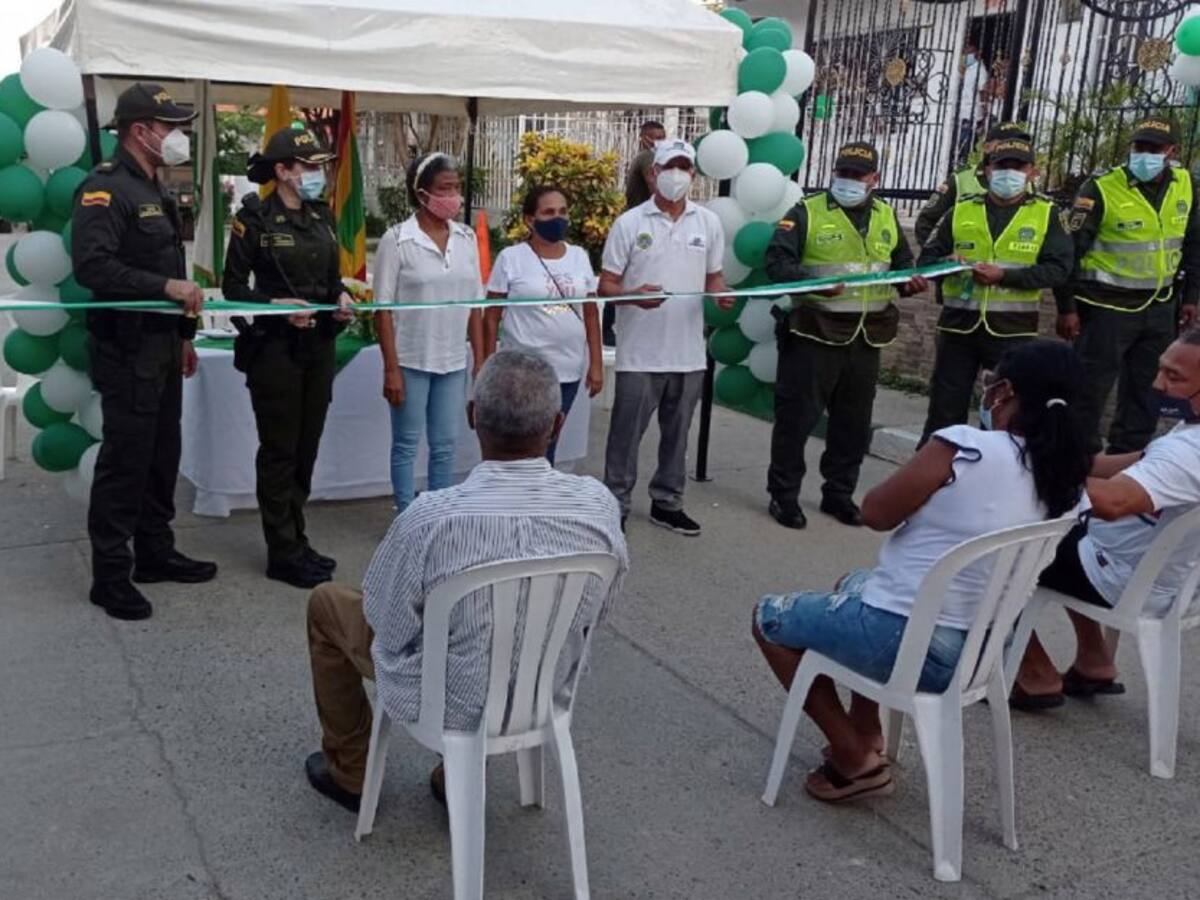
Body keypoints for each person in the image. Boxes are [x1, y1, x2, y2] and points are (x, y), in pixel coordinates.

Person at [752, 340, 1091, 802]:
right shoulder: (1068, 476)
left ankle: (854, 759)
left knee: (770, 620)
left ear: (1003, 392)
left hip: (910, 642)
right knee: (854, 582)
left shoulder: (964, 447)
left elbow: (875, 513)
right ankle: (868, 730)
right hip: (981, 652)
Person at [302, 350, 629, 812]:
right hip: (542, 689)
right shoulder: (597, 506)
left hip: (448, 700)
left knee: (327, 604)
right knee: (483, 630)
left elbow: (388, 628)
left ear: (473, 416)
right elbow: (599, 608)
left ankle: (350, 770)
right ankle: (453, 772)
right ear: (556, 425)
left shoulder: (431, 518)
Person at [72, 82, 216, 621]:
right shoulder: (104, 189)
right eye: (169, 128)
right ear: (140, 131)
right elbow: (93, 267)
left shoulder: (153, 186)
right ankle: (110, 576)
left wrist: (184, 335)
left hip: (160, 348)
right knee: (125, 463)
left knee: (162, 458)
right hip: (126, 350)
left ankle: (155, 552)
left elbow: (170, 269)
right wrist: (166, 292)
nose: (175, 137)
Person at [1013, 330, 1200, 706]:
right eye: (1160, 370)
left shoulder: (1186, 453)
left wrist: (1015, 470)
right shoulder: (1188, 433)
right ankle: (1094, 660)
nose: (1157, 384)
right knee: (1076, 534)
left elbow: (1112, 503)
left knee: (999, 538)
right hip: (1176, 582)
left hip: (1124, 581)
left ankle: (1034, 673)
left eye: (1174, 377)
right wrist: (1058, 455)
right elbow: (1140, 462)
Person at [764, 141, 929, 531]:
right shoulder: (806, 211)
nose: (848, 180)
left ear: (875, 179)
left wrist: (910, 283)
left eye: (858, 175)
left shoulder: (887, 215)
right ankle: (783, 496)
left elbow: (901, 265)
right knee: (797, 420)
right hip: (813, 333)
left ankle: (838, 494)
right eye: (843, 173)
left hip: (867, 336)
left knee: (852, 425)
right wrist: (814, 283)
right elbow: (776, 263)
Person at [221, 126, 355, 589]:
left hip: (317, 347)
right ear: (282, 171)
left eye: (319, 166)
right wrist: (273, 309)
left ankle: (297, 537)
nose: (317, 174)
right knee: (279, 451)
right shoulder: (254, 219)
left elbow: (330, 280)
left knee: (306, 448)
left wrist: (340, 299)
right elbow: (233, 289)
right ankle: (281, 550)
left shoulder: (321, 215)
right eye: (309, 166)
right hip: (274, 351)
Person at [599, 138, 732, 535]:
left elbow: (714, 277)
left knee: (677, 436)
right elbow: (606, 285)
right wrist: (632, 298)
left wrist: (722, 295)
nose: (677, 175)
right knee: (626, 435)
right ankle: (615, 503)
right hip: (640, 353)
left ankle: (667, 501)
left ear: (692, 174)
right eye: (668, 167)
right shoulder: (630, 223)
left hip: (688, 353)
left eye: (684, 167)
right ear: (653, 173)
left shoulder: (707, 222)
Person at [916, 136, 1074, 443]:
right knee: (944, 413)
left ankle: (995, 477)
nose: (1008, 173)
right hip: (958, 329)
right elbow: (926, 261)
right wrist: (946, 262)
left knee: (1005, 415)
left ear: (1032, 173)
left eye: (1018, 166)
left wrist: (1004, 275)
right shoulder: (960, 210)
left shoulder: (1048, 214)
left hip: (1012, 333)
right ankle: (935, 481)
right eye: (1002, 166)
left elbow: (1059, 269)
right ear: (988, 171)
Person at [1059, 115, 1200, 455]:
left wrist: (1191, 297)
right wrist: (1067, 308)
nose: (1144, 155)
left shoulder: (1187, 184)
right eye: (1139, 147)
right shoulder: (1101, 188)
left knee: (1148, 392)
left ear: (1172, 151)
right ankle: (1076, 464)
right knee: (1089, 391)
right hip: (1106, 309)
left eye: (1153, 148)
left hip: (1159, 307)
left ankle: (1126, 462)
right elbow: (1069, 253)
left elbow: (1194, 244)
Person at [373, 152, 485, 512]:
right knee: (406, 443)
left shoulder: (466, 238)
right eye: (444, 188)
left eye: (456, 187)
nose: (453, 196)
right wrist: (391, 368)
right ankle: (405, 516)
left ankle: (438, 515)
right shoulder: (397, 240)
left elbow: (475, 309)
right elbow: (383, 311)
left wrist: (481, 362)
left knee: (445, 444)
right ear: (422, 194)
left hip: (452, 360)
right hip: (411, 359)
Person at [483, 185, 603, 464]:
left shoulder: (579, 256)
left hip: (567, 370)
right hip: (522, 373)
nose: (557, 218)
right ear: (529, 219)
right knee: (518, 446)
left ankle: (537, 498)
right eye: (548, 212)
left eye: (562, 212)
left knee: (548, 442)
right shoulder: (511, 259)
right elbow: (491, 316)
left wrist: (595, 363)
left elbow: (590, 312)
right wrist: (486, 366)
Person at [914, 121, 1033, 247]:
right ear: (986, 147)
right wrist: (938, 258)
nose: (1011, 148)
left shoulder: (1025, 181)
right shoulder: (961, 179)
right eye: (1004, 143)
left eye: (1018, 144)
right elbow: (925, 222)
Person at [956, 38, 989, 165]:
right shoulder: (969, 69)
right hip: (965, 111)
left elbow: (983, 90)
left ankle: (966, 162)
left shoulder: (980, 70)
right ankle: (964, 161)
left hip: (973, 112)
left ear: (977, 53)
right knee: (964, 139)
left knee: (967, 141)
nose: (966, 55)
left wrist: (984, 110)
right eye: (965, 52)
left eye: (969, 52)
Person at [624, 120, 667, 211]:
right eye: (658, 139)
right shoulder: (648, 156)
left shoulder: (643, 156)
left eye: (664, 138)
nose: (662, 142)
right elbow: (655, 188)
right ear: (645, 139)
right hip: (642, 215)